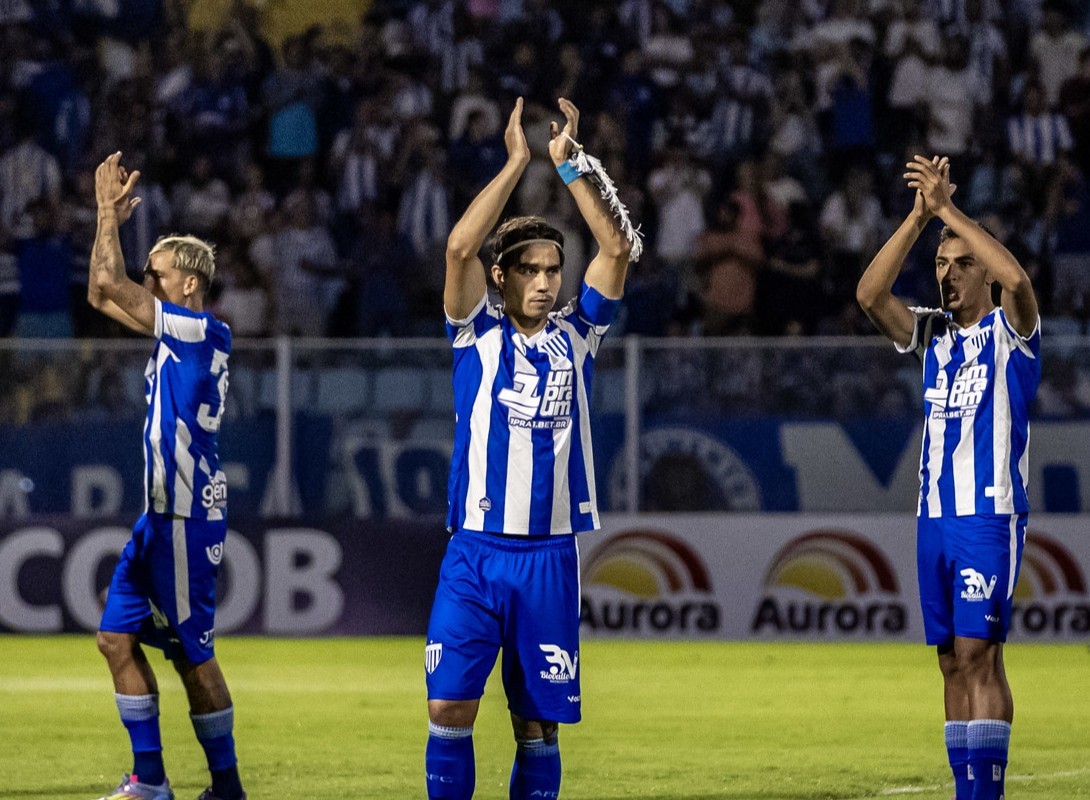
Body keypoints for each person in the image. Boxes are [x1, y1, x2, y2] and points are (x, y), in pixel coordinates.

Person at [424, 96, 634, 800]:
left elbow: (616, 250)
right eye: (532, 270)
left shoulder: (579, 335)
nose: (547, 282)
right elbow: (458, 248)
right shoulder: (474, 336)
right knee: (449, 709)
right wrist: (516, 162)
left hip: (549, 555)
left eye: (554, 269)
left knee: (537, 725)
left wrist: (568, 163)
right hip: (475, 552)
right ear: (503, 276)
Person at [856, 155, 1040, 800]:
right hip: (933, 516)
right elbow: (870, 296)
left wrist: (950, 213)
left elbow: (1016, 276)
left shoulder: (1013, 332)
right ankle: (967, 790)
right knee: (947, 661)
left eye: (963, 264)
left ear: (982, 271)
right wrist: (917, 219)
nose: (949, 275)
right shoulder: (933, 336)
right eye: (941, 265)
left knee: (978, 655)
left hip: (987, 516)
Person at [87, 152, 246, 800]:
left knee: (192, 654)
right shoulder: (174, 334)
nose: (147, 284)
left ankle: (227, 787)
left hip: (185, 515)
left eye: (158, 275)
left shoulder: (203, 331)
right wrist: (107, 222)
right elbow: (101, 289)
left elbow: (116, 287)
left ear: (188, 285)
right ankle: (150, 780)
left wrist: (105, 214)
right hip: (159, 515)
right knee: (116, 638)